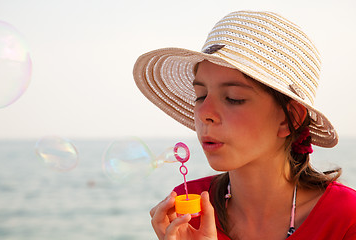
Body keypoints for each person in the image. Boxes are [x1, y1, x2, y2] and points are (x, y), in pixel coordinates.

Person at [133, 11, 356, 239]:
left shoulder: (347, 218)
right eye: (200, 95)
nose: (204, 114)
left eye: (233, 98)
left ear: (290, 118)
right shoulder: (188, 211)